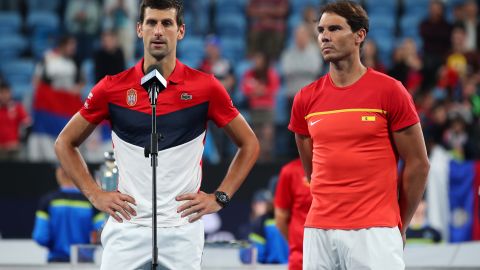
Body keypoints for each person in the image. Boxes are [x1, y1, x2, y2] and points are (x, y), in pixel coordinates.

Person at [54, 1, 260, 269]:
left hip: (181, 230)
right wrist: (95, 194)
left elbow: (250, 144)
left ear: (181, 31)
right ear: (139, 29)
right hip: (127, 227)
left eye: (167, 23)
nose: (159, 31)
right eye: (151, 23)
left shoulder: (206, 87)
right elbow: (64, 143)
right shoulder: (111, 88)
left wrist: (220, 197)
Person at [288, 2, 430, 269]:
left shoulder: (390, 91)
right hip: (319, 230)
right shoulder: (305, 99)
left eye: (334, 28)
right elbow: (312, 171)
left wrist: (399, 222)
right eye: (321, 30)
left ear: (359, 35)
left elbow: (419, 164)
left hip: (375, 231)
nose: (324, 36)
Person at [32, 166, 105, 262]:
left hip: (56, 261)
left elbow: (40, 237)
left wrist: (57, 246)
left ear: (59, 173)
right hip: (84, 262)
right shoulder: (92, 202)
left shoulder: (48, 201)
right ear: (78, 174)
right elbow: (102, 234)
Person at [274, 158, 312, 270]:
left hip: (334, 256)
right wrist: (296, 244)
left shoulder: (336, 168)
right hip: (301, 258)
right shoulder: (290, 171)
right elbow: (280, 217)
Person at [0, 82, 31, 160]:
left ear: (10, 93)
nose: (4, 95)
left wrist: (21, 142)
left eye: (6, 92)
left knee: (16, 171)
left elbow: (28, 125)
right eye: (2, 92)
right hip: (1, 150)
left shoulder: (17, 108)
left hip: (14, 149)